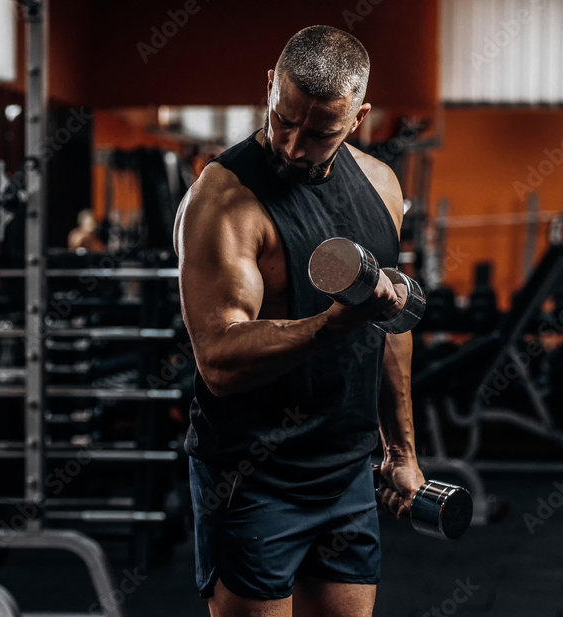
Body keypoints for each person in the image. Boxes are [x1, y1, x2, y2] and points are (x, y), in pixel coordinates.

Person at [173, 25, 426, 617]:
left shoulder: (382, 186)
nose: (291, 146)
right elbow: (219, 360)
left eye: (318, 134)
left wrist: (401, 451)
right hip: (253, 476)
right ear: (270, 85)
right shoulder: (224, 201)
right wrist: (331, 326)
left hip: (346, 470)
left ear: (358, 117)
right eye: (283, 119)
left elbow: (390, 324)